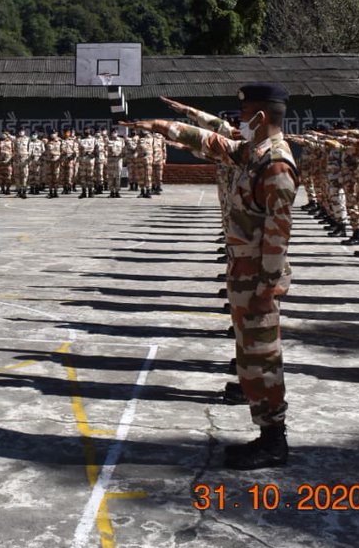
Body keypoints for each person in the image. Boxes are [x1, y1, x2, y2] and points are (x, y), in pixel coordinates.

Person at [126, 82, 299, 469]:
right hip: (244, 270)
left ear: (259, 116)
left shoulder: (275, 163)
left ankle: (273, 440)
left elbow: (278, 232)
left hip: (257, 276)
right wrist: (162, 127)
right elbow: (212, 142)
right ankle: (265, 427)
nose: (237, 122)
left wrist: (266, 286)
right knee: (250, 353)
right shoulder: (254, 153)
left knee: (263, 355)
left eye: (243, 115)